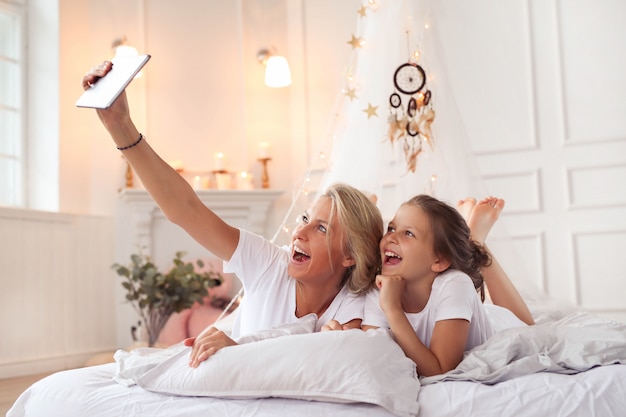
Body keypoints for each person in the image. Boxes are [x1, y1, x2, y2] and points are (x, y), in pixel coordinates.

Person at [82, 61, 384, 368]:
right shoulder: (268, 263)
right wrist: (119, 125)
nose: (299, 234)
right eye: (304, 219)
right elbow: (185, 210)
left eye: (322, 229)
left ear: (351, 256)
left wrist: (242, 347)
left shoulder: (357, 301)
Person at [352, 194, 533, 377]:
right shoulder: (377, 291)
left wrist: (392, 309)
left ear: (439, 261)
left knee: (529, 331)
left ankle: (476, 242)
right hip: (463, 313)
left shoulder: (455, 284)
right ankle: (473, 241)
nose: (391, 238)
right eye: (391, 228)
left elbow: (440, 369)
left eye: (408, 233)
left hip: (497, 328)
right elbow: (375, 356)